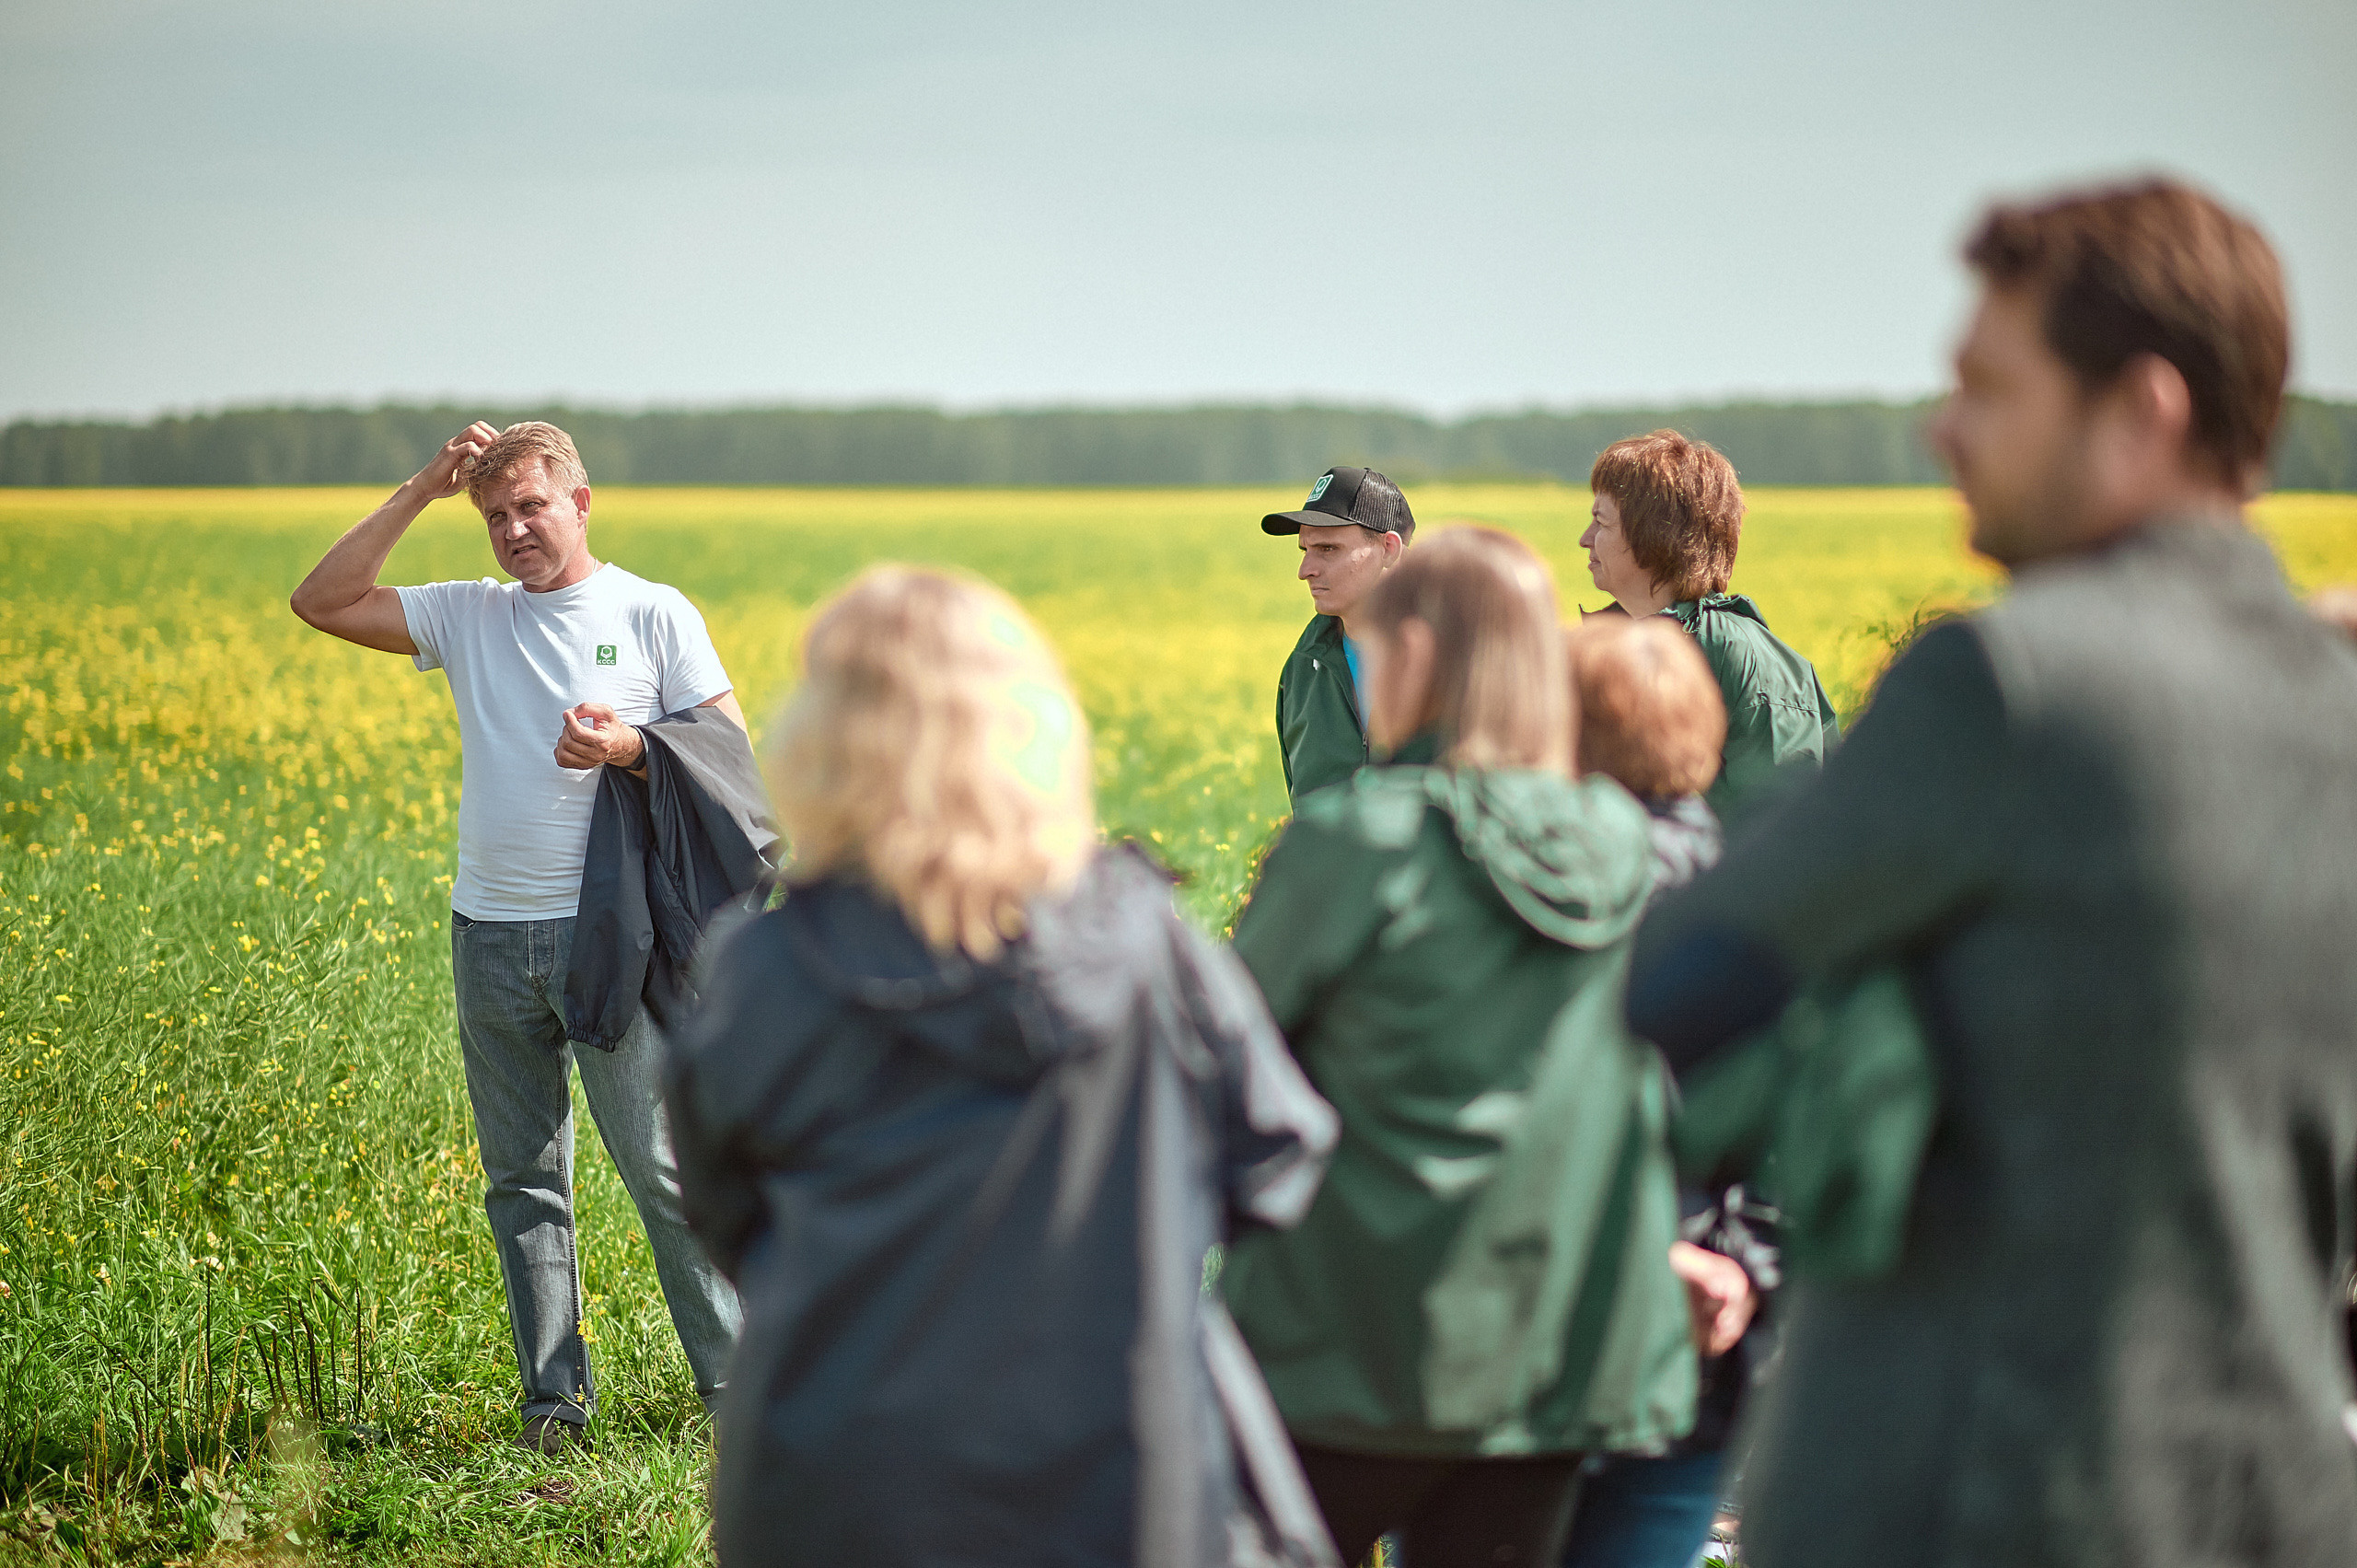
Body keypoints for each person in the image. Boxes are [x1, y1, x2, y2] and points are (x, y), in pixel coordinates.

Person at [1625, 179, 2357, 1566]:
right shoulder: (2334, 697)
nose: (1940, 425)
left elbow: (1673, 981)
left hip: (1975, 1491)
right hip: (2272, 1497)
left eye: (1987, 386)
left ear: (2141, 412)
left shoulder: (2014, 681)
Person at [663, 566, 1340, 1568]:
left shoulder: (762, 968)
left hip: (839, 1483)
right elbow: (1276, 1154)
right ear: (1035, 731)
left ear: (822, 735)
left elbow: (725, 1209)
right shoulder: (1146, 944)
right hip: (1125, 1479)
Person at [1222, 528, 1740, 1568]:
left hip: (1347, 1338)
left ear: (1410, 651)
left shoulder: (1360, 842)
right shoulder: (1628, 843)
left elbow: (1221, 1073)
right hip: (1560, 1349)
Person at [288, 421, 743, 1453]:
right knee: (523, 1184)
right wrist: (419, 488)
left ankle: (738, 1394)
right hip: (487, 933)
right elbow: (319, 601)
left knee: (663, 1172)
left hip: (612, 940)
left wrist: (629, 745)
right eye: (493, 514)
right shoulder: (467, 617)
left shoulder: (653, 612)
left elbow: (731, 756)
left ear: (581, 503)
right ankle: (555, 1412)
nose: (512, 530)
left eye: (531, 507)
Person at [1559, 617, 1768, 1568]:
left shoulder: (1535, 897)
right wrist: (1741, 1265)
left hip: (1542, 1340)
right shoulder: (1765, 898)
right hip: (1703, 1352)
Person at [1578, 432, 1838, 829]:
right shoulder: (1613, 645)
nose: (1585, 539)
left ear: (1654, 535)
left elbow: (1780, 830)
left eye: (1600, 522)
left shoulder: (1744, 656)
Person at [1263, 466, 1415, 804]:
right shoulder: (1301, 670)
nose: (1305, 571)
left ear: (1389, 549)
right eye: (1306, 550)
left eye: (1328, 549)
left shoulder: (1457, 663)